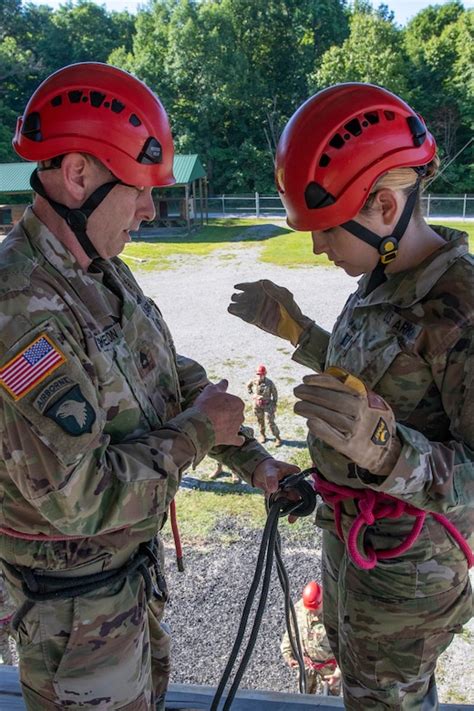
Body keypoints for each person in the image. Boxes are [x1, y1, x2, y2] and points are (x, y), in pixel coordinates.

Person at [0, 62, 299, 711]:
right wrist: (201, 430)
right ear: (78, 174)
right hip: (73, 630)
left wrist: (255, 460)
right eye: (139, 187)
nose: (150, 208)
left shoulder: (102, 273)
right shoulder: (20, 311)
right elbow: (81, 497)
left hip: (125, 597)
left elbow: (166, 376)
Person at [229, 83, 473, 709]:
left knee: (386, 700)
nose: (315, 246)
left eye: (325, 229)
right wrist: (299, 331)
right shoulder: (379, 278)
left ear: (386, 208)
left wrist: (390, 452)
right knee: (359, 685)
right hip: (354, 545)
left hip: (408, 572)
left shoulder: (460, 308)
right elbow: (371, 377)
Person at [281, 581, 341, 696]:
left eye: (315, 608)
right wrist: (287, 653)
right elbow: (291, 631)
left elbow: (347, 648)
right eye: (309, 608)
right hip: (306, 665)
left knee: (331, 701)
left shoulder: (335, 616)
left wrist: (339, 673)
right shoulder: (299, 610)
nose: (311, 612)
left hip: (329, 669)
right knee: (304, 697)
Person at [246, 364, 282, 445]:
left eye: (261, 374)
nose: (259, 376)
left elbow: (275, 393)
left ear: (265, 374)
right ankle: (262, 435)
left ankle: (277, 437)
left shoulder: (269, 383)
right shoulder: (253, 381)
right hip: (257, 405)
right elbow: (248, 386)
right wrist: (252, 395)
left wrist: (274, 404)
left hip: (267, 404)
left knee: (270, 422)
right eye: (258, 374)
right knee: (260, 420)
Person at [0, 574, 16, 665]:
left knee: (24, 644)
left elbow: (11, 599)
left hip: (13, 618)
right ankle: (9, 671)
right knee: (4, 650)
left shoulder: (3, 580)